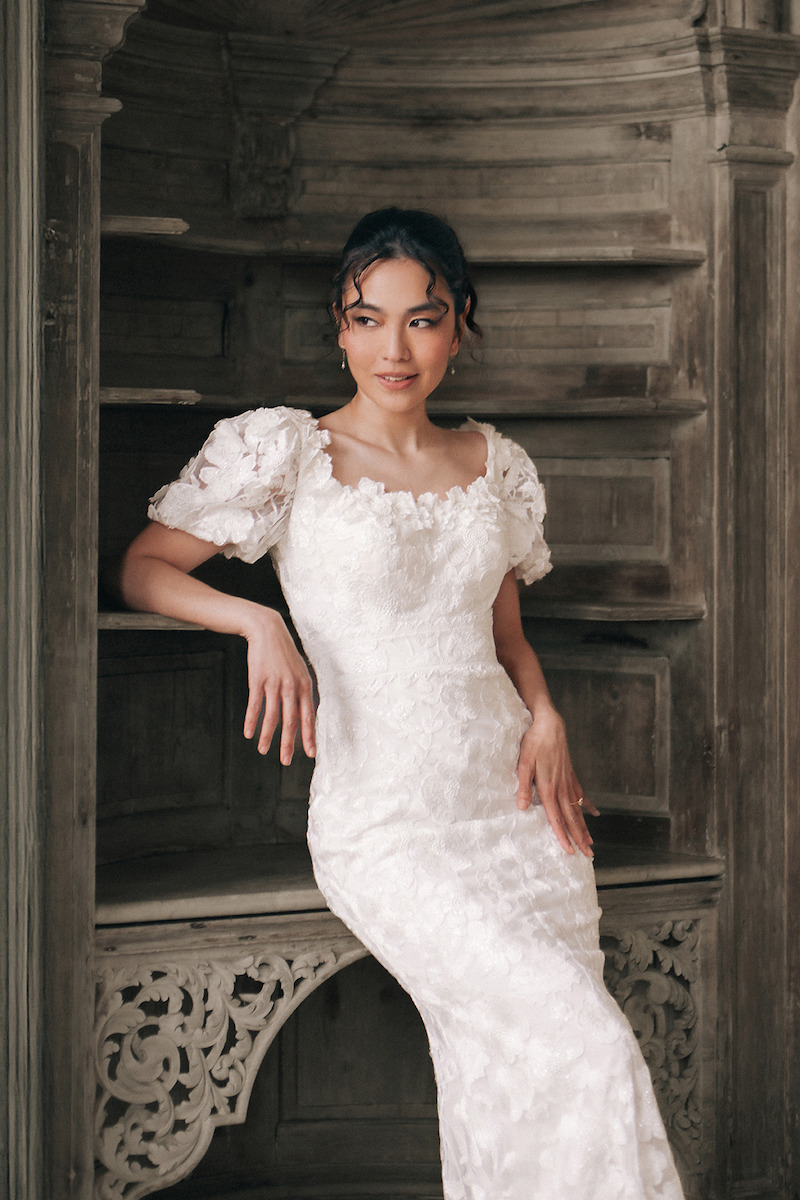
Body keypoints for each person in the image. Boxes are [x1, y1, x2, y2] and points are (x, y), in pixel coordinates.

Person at [120, 207, 685, 1199]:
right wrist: (258, 626)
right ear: (338, 328)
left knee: (512, 1069)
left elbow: (505, 642)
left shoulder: (493, 465)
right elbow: (145, 568)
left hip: (514, 810)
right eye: (367, 318)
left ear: (458, 324)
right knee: (584, 1044)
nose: (393, 347)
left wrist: (546, 718)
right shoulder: (284, 454)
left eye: (420, 320)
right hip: (387, 823)